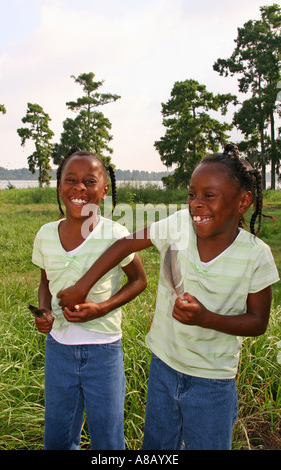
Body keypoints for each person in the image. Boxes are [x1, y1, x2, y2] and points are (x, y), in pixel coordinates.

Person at [57, 144, 279, 450]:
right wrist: (83, 285)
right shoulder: (178, 226)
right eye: (192, 195)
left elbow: (258, 322)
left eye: (208, 195)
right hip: (163, 367)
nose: (196, 204)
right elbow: (125, 245)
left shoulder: (257, 256)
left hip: (213, 382)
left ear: (243, 201)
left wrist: (206, 318)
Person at [32, 148, 147, 450]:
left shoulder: (116, 235)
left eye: (89, 181)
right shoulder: (45, 235)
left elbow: (139, 280)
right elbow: (45, 282)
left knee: (107, 438)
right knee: (57, 436)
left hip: (104, 352)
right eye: (70, 179)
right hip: (59, 349)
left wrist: (102, 308)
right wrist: (44, 311)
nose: (79, 187)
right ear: (59, 187)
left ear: (104, 190)